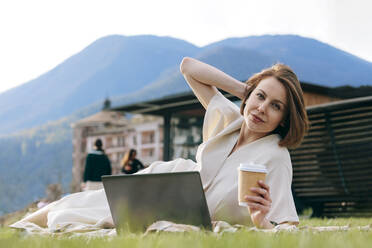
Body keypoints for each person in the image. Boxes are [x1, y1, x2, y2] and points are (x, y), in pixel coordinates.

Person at [11, 57, 308, 233]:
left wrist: (261, 221)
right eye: (261, 97)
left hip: (186, 215)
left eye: (275, 106)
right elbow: (188, 67)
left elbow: (288, 229)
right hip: (164, 186)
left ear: (284, 118)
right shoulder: (231, 118)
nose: (262, 108)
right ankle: (9, 234)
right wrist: (247, 91)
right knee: (75, 203)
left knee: (89, 215)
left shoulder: (275, 156)